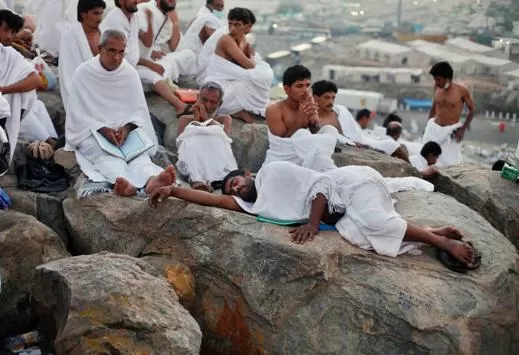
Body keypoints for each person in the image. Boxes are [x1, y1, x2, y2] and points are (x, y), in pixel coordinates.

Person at [149, 160, 477, 268]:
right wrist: (174, 190)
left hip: (349, 185)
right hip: (343, 210)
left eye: (236, 182)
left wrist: (311, 222)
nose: (235, 190)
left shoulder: (271, 173)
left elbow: (320, 185)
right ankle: (434, 230)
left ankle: (442, 244)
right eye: (232, 190)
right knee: (361, 236)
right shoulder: (254, 205)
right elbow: (213, 201)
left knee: (375, 222)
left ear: (248, 175)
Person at [64, 30, 175, 197]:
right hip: (92, 132)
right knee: (106, 157)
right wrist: (102, 129)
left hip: (125, 133)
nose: (117, 57)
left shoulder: (129, 73)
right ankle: (124, 183)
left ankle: (151, 180)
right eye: (112, 51)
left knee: (139, 156)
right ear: (100, 48)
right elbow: (76, 114)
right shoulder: (83, 73)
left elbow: (138, 112)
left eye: (121, 52)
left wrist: (127, 128)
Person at [100, 0, 186, 113]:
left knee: (159, 74)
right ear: (121, 1)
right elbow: (124, 56)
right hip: (117, 67)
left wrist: (150, 21)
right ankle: (179, 105)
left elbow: (147, 42)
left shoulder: (134, 17)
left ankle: (180, 105)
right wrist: (151, 64)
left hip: (133, 64)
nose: (136, 1)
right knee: (154, 76)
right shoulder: (115, 20)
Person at [205, 7, 273, 123]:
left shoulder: (244, 41)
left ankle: (242, 109)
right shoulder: (226, 40)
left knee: (262, 74)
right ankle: (236, 111)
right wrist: (250, 56)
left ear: (246, 27)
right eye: (230, 24)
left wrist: (250, 57)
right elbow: (250, 66)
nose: (232, 28)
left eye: (237, 25)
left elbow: (244, 69)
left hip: (231, 80)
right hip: (217, 84)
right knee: (255, 79)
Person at [264, 66, 337, 172]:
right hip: (283, 158)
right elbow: (282, 144)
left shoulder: (308, 101)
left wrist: (313, 123)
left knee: (330, 130)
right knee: (302, 133)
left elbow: (315, 133)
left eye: (307, 85)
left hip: (305, 150)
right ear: (287, 89)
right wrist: (299, 119)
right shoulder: (274, 109)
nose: (305, 90)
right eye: (299, 86)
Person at [176, 82, 237, 192]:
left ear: (220, 103)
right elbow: (181, 144)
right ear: (198, 98)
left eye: (213, 102)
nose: (207, 105)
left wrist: (204, 120)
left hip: (217, 159)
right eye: (204, 100)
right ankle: (196, 180)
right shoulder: (185, 119)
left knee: (217, 139)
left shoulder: (224, 119)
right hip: (194, 159)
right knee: (189, 141)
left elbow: (225, 140)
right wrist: (196, 123)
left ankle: (217, 181)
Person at [423, 61, 475, 166]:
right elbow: (434, 106)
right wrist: (428, 123)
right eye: (434, 79)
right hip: (433, 128)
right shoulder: (436, 87)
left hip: (450, 131)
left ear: (447, 78)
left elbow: (472, 110)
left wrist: (463, 129)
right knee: (426, 158)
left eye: (438, 79)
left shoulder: (462, 91)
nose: (436, 82)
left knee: (449, 162)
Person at [59, 0, 106, 111]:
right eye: (95, 13)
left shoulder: (104, 33)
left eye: (101, 13)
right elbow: (68, 70)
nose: (99, 18)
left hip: (106, 86)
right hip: (82, 88)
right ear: (83, 14)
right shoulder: (70, 36)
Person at [137, 0, 197, 82]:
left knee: (190, 55)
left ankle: (163, 77)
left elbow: (173, 47)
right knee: (168, 65)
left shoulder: (168, 15)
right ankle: (160, 79)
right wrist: (151, 51)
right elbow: (135, 38)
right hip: (145, 58)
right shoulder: (145, 8)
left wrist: (175, 22)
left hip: (162, 57)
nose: (172, 1)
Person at [176, 0, 223, 65]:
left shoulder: (204, 14)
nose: (222, 3)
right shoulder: (207, 18)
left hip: (191, 57)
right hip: (195, 59)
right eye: (219, 5)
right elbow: (218, 42)